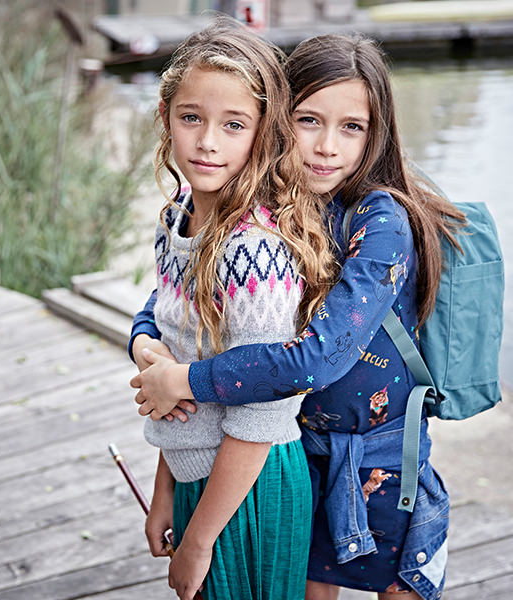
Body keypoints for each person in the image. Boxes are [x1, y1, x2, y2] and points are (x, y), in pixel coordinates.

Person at [130, 33, 467, 600]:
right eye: (308, 120)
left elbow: (317, 359)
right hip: (295, 452)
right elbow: (171, 307)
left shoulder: (380, 222)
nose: (326, 147)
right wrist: (145, 346)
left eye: (352, 127)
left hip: (381, 460)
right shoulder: (273, 207)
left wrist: (183, 380)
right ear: (277, 121)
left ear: (376, 134)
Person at [131, 17, 339, 600]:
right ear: (166, 117)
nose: (207, 142)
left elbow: (261, 416)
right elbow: (179, 368)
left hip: (250, 486)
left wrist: (199, 542)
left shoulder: (254, 252)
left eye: (234, 124)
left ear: (262, 134)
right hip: (200, 484)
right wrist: (166, 491)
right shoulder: (177, 220)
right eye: (191, 118)